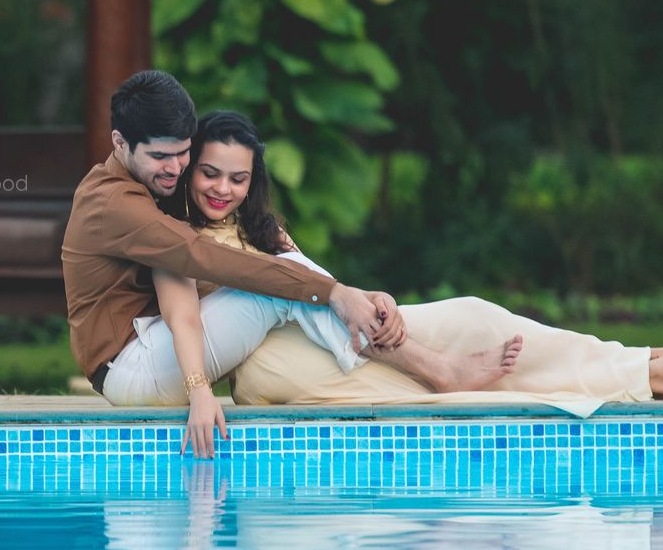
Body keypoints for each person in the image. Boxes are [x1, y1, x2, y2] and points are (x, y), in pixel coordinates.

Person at [150, 111, 663, 455]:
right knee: (453, 397)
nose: (221, 189)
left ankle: (652, 366)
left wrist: (374, 304)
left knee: (477, 319)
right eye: (209, 173)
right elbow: (190, 320)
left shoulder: (263, 228)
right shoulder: (177, 236)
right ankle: (642, 375)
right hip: (271, 368)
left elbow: (320, 285)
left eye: (237, 178)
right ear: (188, 169)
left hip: (338, 332)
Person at [62, 70, 415, 416]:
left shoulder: (141, 186)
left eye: (183, 152)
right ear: (119, 142)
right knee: (276, 288)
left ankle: (381, 328)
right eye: (160, 156)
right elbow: (205, 257)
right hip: (132, 370)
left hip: (151, 351)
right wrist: (336, 293)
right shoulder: (116, 205)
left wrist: (341, 292)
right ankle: (425, 364)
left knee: (294, 280)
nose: (175, 167)